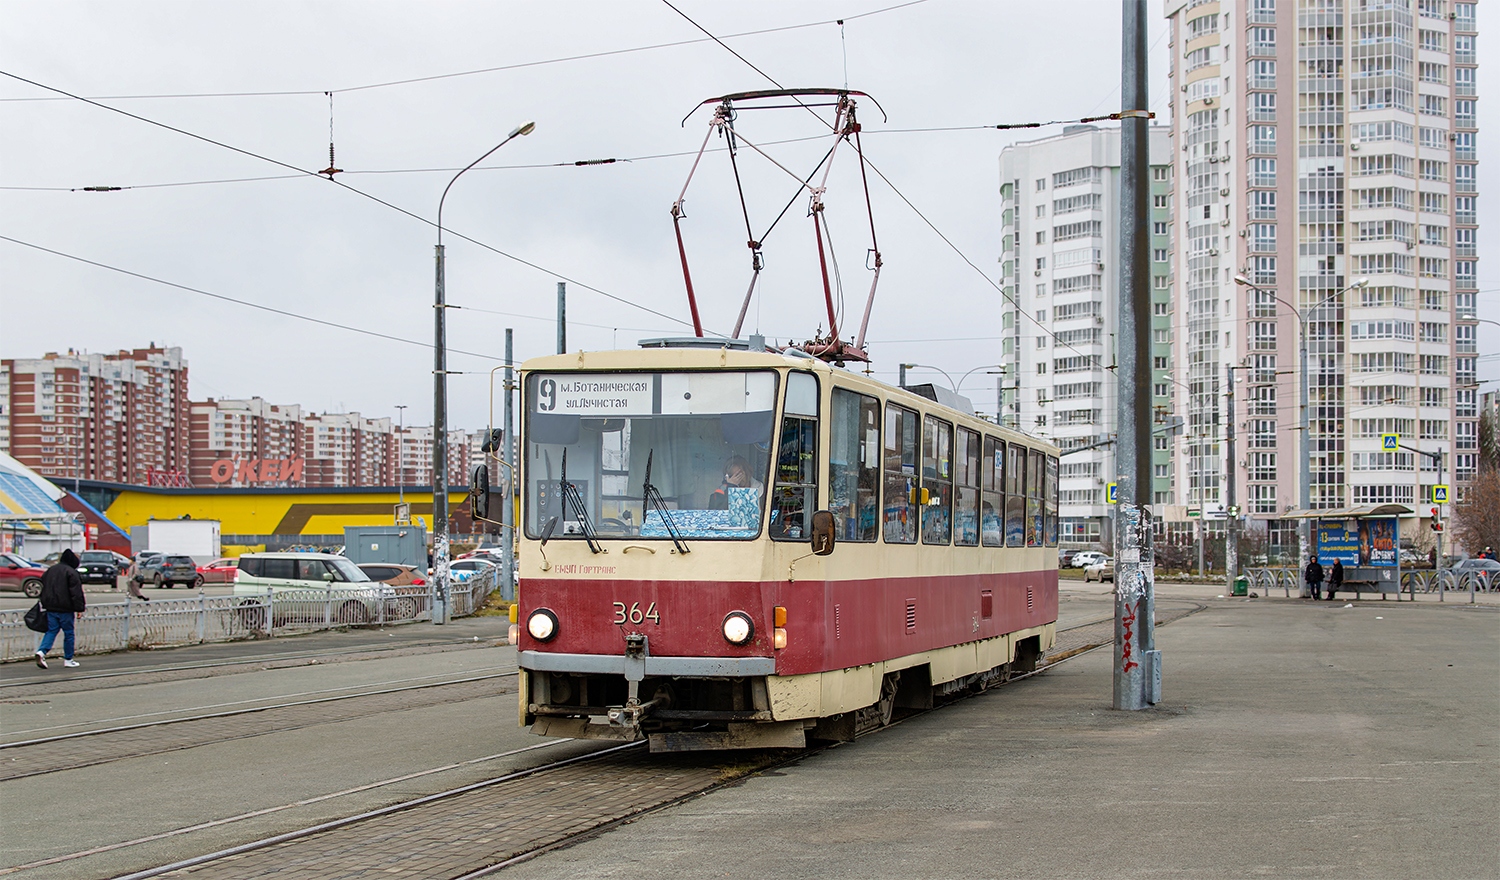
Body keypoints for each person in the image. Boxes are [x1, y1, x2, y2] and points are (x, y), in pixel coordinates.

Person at [35, 548, 86, 669]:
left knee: (51, 631)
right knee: (68, 633)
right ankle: (68, 659)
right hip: (66, 609)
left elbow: (43, 588)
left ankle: (41, 652)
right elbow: (76, 593)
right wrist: (79, 608)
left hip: (51, 608)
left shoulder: (50, 571)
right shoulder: (71, 573)